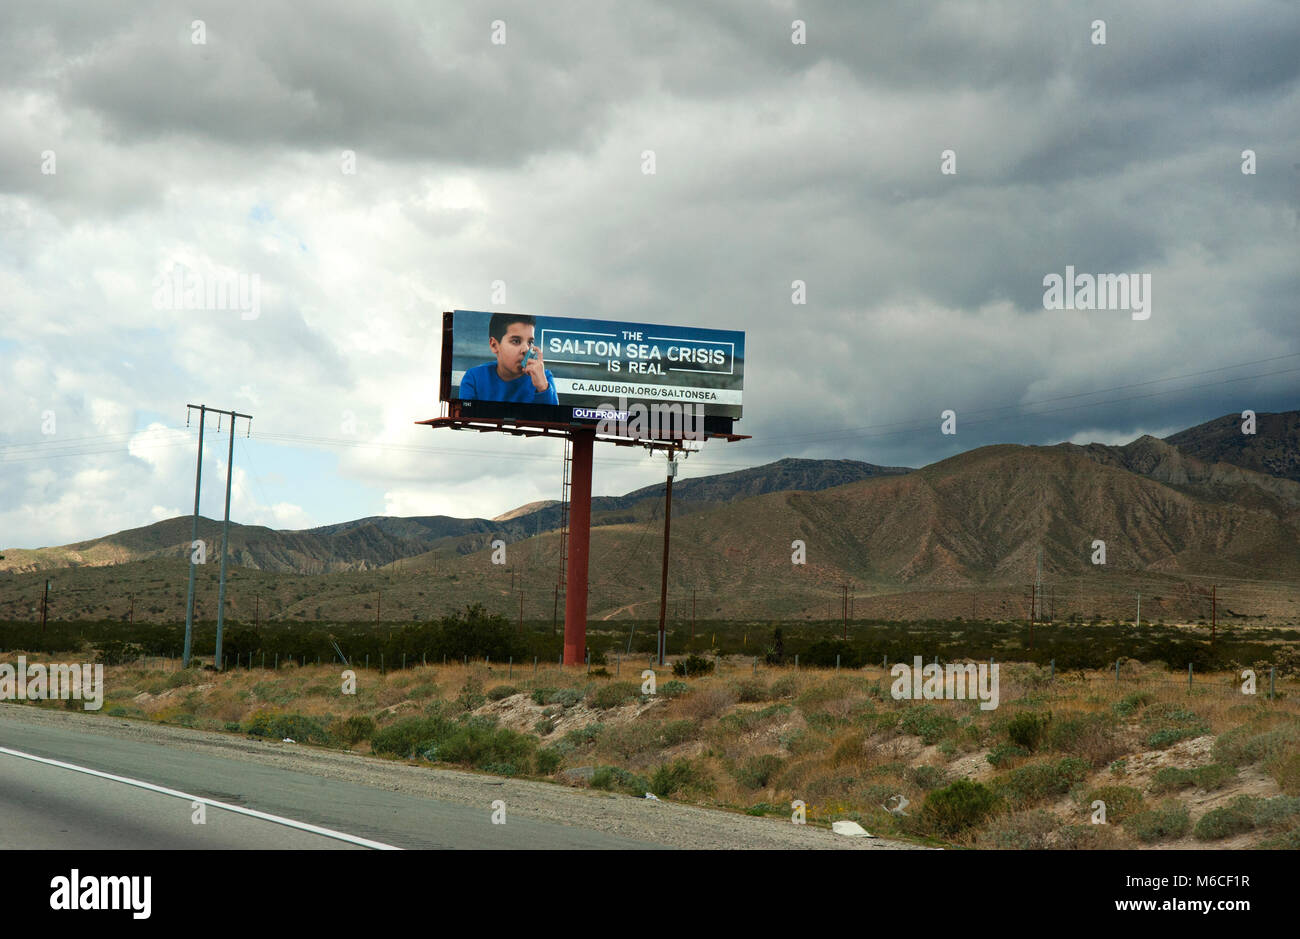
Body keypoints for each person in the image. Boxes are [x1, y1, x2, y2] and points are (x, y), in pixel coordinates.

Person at [459, 313, 558, 405]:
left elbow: (554, 420)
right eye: (516, 341)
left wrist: (543, 388)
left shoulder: (544, 379)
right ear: (494, 345)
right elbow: (465, 415)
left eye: (530, 342)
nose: (526, 349)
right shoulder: (474, 378)